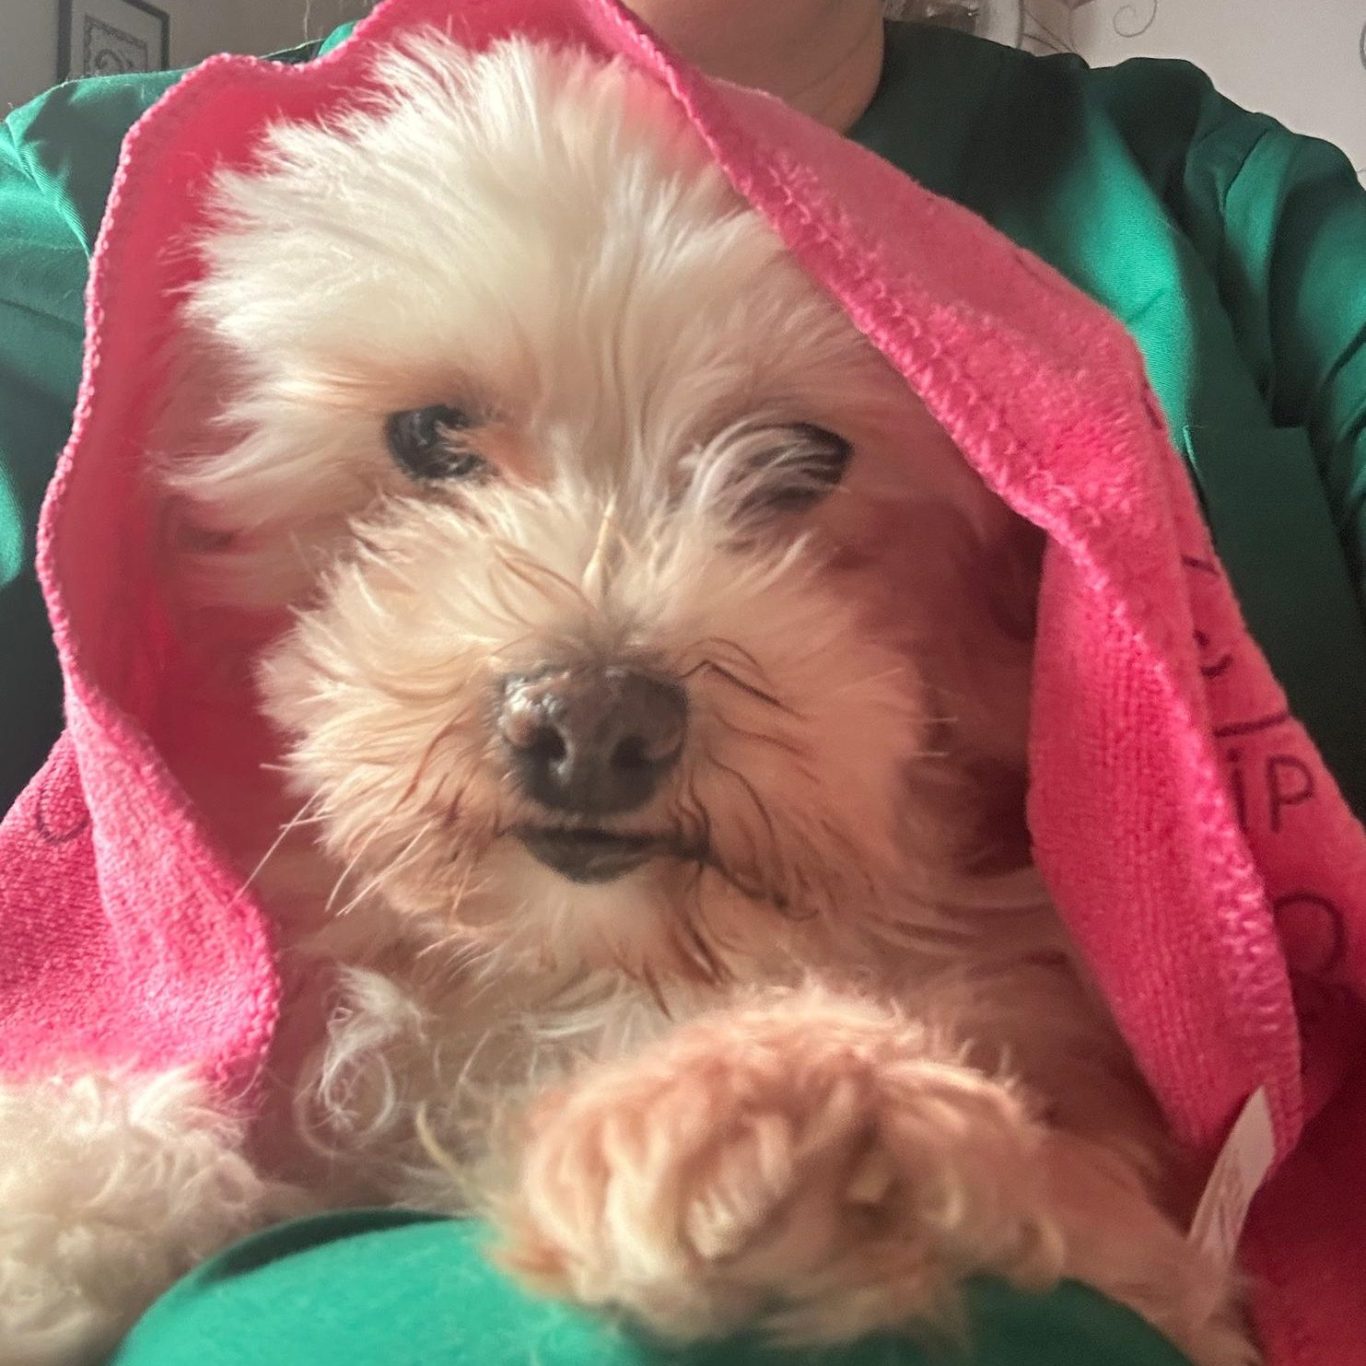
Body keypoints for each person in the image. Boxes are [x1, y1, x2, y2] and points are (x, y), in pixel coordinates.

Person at [1, 1, 1362, 1361]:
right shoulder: (74, 205)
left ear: (1008, 584)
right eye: (433, 446)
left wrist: (885, 1146)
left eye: (792, 471)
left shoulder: (1247, 221)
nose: (593, 699)